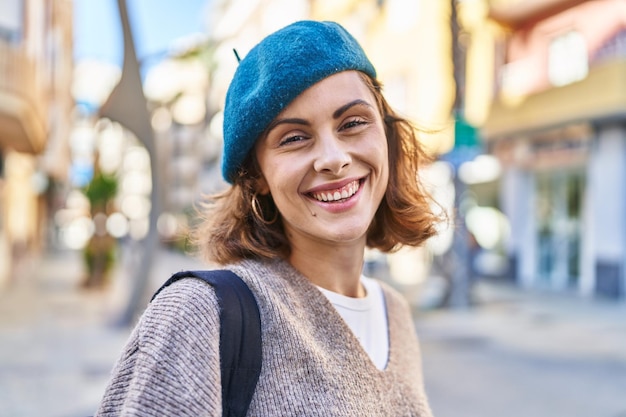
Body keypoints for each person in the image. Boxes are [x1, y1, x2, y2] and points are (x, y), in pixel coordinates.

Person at [96, 20, 442, 416]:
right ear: (257, 176)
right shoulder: (198, 314)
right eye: (294, 138)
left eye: (353, 123)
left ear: (386, 135)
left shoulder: (394, 312)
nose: (333, 158)